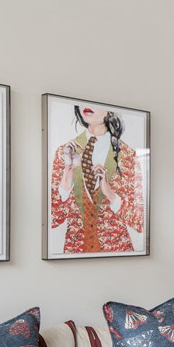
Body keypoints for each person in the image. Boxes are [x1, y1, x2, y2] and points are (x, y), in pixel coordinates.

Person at [49, 104, 144, 254]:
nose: (86, 106)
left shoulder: (127, 155)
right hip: (74, 255)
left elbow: (139, 222)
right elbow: (53, 218)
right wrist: (68, 172)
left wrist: (110, 194)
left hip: (117, 254)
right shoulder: (65, 152)